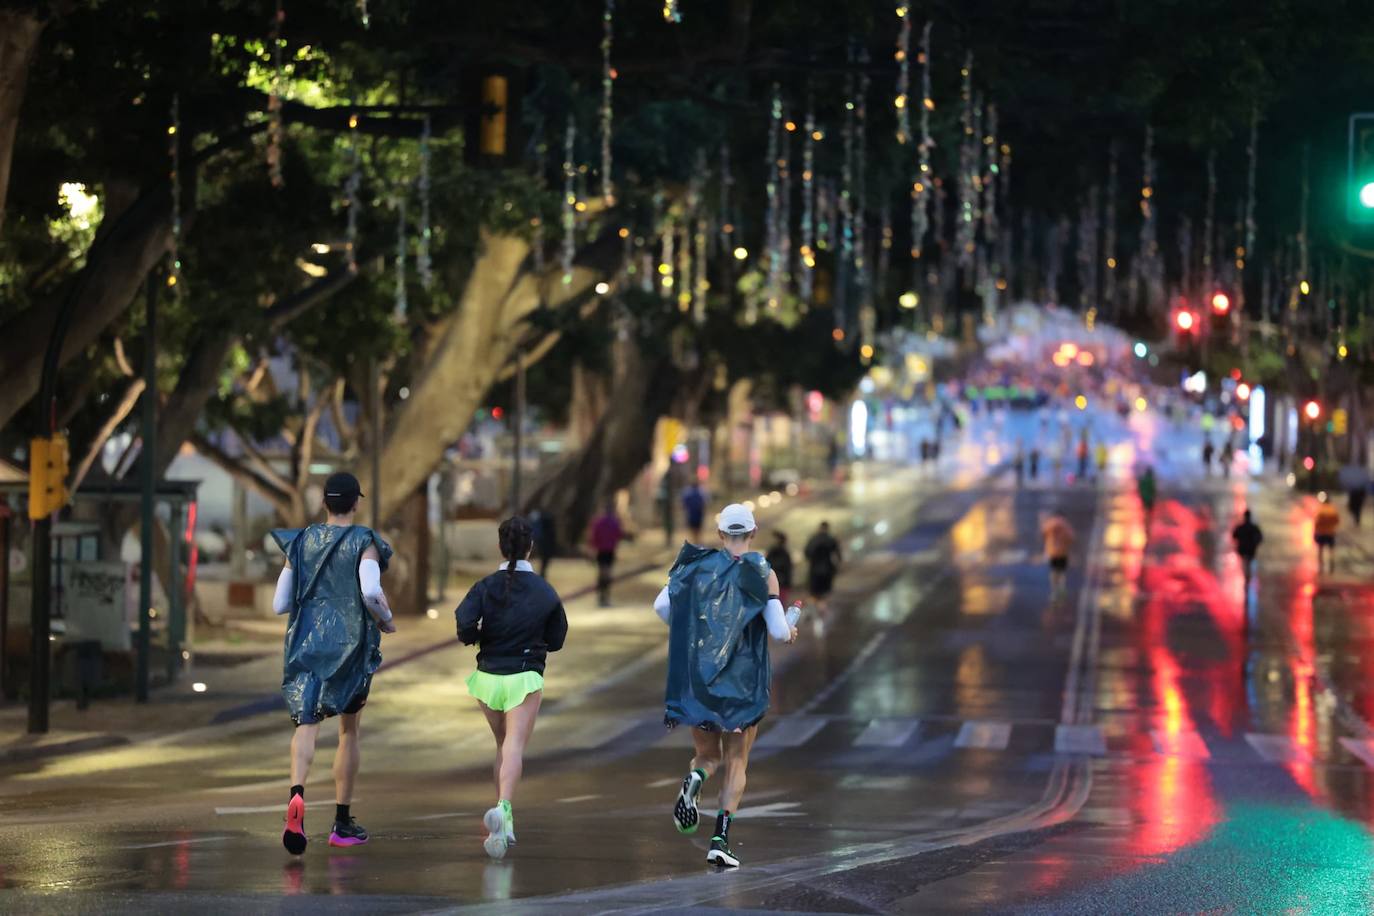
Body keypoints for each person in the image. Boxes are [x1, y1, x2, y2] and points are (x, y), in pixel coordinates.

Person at [655, 504, 797, 868]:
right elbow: (779, 632)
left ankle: (695, 778)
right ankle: (720, 838)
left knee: (707, 756)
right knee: (737, 759)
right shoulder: (763, 573)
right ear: (753, 532)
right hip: (743, 687)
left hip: (701, 682)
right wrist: (791, 630)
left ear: (720, 535)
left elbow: (661, 607)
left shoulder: (695, 568)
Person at [271, 472, 397, 855]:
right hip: (350, 647)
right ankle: (342, 822)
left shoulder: (301, 541)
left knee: (306, 724)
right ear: (355, 503)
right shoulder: (364, 542)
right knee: (348, 732)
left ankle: (297, 795)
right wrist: (386, 620)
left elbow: (279, 603)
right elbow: (371, 590)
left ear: (324, 502)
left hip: (305, 645)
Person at [455, 517, 568, 860]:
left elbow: (463, 623)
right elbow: (558, 637)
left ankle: (505, 821)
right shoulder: (544, 590)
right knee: (514, 747)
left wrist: (476, 637)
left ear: (499, 547)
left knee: (502, 746)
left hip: (487, 678)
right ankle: (503, 809)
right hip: (523, 677)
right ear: (531, 547)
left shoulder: (485, 586)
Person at [590, 503, 627, 606]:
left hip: (601, 551)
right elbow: (619, 535)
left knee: (601, 573)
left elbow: (594, 537)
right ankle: (605, 596)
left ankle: (601, 596)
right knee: (608, 573)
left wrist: (594, 548)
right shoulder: (615, 522)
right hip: (610, 551)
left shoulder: (598, 522)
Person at [804, 521, 842, 611]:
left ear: (820, 528)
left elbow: (807, 553)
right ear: (828, 528)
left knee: (814, 592)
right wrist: (837, 566)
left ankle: (814, 611)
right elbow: (838, 555)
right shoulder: (831, 539)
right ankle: (822, 611)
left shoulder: (813, 539)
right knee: (824, 593)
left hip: (814, 570)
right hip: (827, 569)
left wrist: (812, 560)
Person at [1042, 508, 1075, 598]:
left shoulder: (1049, 524)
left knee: (1054, 571)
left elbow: (1043, 533)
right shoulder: (1065, 524)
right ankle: (1061, 590)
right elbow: (1071, 537)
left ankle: (1054, 590)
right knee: (1061, 571)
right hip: (1062, 551)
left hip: (1052, 550)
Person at [1231, 509, 1263, 586]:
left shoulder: (1241, 527)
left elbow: (1234, 536)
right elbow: (1260, 538)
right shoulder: (1254, 527)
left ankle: (1246, 577)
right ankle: (1247, 577)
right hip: (1250, 550)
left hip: (1243, 550)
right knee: (1248, 564)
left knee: (1245, 564)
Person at [765, 531, 794, 605]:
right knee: (780, 604)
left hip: (772, 582)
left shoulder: (772, 552)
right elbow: (788, 570)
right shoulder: (785, 553)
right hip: (783, 583)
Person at [1315, 493, 1341, 574]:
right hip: (1330, 533)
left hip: (1321, 533)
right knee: (1331, 550)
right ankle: (1331, 564)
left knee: (1320, 549)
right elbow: (1337, 521)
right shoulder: (1333, 510)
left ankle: (1321, 565)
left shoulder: (1320, 510)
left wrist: (1316, 531)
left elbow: (1317, 522)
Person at [529, 508, 558, 579]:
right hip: (546, 542)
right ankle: (542, 573)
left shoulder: (537, 517)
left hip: (541, 541)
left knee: (543, 559)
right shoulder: (548, 518)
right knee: (545, 559)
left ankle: (542, 573)